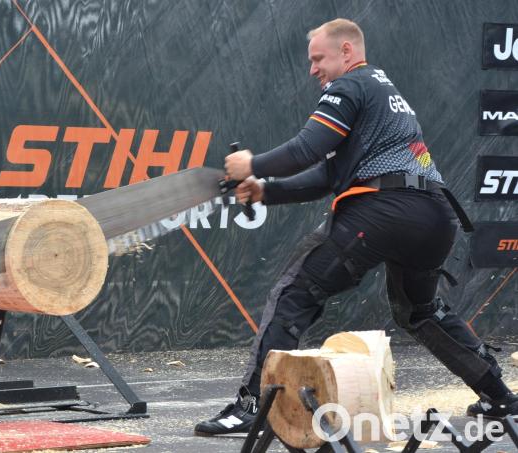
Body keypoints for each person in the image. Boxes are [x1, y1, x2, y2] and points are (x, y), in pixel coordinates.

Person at [194, 18, 517, 436]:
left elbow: (306, 149)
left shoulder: (349, 86)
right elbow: (328, 175)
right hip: (434, 215)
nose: (313, 70)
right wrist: (265, 191)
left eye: (318, 58)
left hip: (383, 210)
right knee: (422, 312)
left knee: (294, 293)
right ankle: (499, 396)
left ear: (347, 51)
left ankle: (253, 407)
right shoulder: (382, 92)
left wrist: (251, 165)